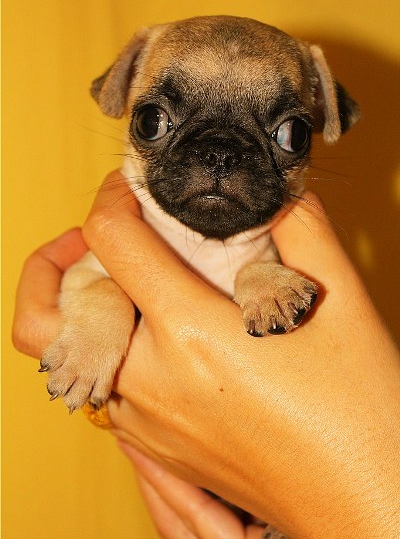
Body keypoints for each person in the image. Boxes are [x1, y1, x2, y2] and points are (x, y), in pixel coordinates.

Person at [13, 171, 400, 539]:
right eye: (155, 129)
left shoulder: (277, 246)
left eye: (284, 135)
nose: (219, 159)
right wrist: (99, 324)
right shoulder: (134, 228)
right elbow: (85, 282)